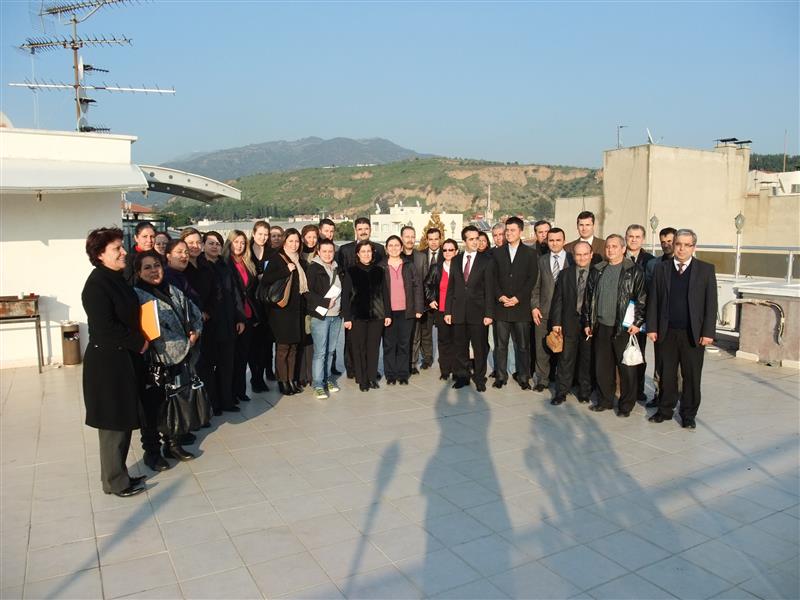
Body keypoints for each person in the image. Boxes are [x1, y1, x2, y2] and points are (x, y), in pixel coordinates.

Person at [81, 227, 147, 497]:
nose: (124, 252)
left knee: (123, 418)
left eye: (122, 246)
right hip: (107, 363)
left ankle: (120, 474)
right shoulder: (96, 285)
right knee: (112, 423)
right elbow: (105, 327)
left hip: (122, 359)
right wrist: (138, 341)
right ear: (100, 254)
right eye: (117, 249)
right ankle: (114, 481)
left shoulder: (116, 278)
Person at [133, 251, 202, 463]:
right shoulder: (137, 296)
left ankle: (173, 444)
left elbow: (194, 312)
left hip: (181, 357)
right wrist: (182, 343)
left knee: (176, 402)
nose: (154, 270)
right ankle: (152, 452)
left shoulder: (173, 290)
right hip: (154, 361)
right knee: (153, 407)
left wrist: (195, 331)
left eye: (157, 265)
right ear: (138, 272)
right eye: (147, 267)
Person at [647, 229, 717, 429]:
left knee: (691, 375)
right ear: (674, 245)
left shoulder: (705, 270)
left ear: (694, 247)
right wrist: (652, 327)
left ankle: (688, 414)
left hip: (693, 334)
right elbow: (654, 300)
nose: (682, 248)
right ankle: (665, 410)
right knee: (667, 374)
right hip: (666, 331)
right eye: (678, 244)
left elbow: (711, 303)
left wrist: (708, 332)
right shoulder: (662, 269)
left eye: (687, 245)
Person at [582, 234, 646, 417]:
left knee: (627, 368)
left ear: (623, 249)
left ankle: (626, 405)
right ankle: (605, 400)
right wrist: (588, 322)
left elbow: (641, 298)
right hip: (601, 325)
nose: (610, 250)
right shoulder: (598, 270)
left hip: (624, 327)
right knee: (603, 366)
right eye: (608, 246)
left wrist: (637, 322)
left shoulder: (634, 270)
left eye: (615, 246)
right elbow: (589, 298)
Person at [445, 226, 494, 392]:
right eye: (471, 239)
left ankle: (480, 378)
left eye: (477, 238)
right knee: (460, 347)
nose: (475, 242)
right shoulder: (456, 260)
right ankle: (462, 376)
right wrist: (448, 311)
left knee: (479, 348)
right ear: (464, 241)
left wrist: (489, 313)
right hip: (458, 311)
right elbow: (451, 287)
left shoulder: (486, 261)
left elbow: (489, 289)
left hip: (479, 312)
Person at [260, 228, 308, 396]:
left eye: (297, 241)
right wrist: (286, 270)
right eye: (291, 241)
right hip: (281, 311)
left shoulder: (300, 260)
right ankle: (282, 381)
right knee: (283, 348)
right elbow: (266, 280)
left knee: (294, 347)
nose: (294, 245)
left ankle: (291, 379)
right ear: (284, 242)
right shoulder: (277, 258)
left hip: (297, 310)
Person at [492, 216, 539, 389]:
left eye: (513, 230)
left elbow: (531, 278)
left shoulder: (530, 254)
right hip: (502, 306)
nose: (509, 233)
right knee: (500, 345)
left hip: (521, 307)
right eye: (507, 230)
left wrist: (518, 297)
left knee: (523, 345)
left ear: (520, 231)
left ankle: (523, 376)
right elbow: (492, 278)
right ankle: (500, 376)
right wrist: (500, 296)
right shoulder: (497, 253)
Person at [336, 217, 386, 378]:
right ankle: (352, 369)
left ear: (370, 230)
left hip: (373, 304)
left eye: (366, 228)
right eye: (360, 229)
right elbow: (340, 272)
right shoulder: (345, 249)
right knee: (351, 340)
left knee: (371, 342)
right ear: (355, 230)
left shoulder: (379, 249)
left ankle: (370, 370)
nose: (363, 231)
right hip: (353, 302)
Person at [203, 231, 243, 413]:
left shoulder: (225, 265)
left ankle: (227, 400)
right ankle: (214, 403)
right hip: (210, 324)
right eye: (210, 243)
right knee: (210, 366)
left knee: (227, 364)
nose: (214, 246)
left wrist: (240, 318)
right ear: (203, 245)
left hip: (228, 322)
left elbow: (235, 294)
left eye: (217, 244)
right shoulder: (200, 266)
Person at [341, 241, 390, 391]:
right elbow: (345, 296)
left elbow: (385, 293)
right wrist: (347, 318)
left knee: (373, 348)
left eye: (369, 251)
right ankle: (362, 379)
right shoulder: (351, 271)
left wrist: (387, 314)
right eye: (363, 251)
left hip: (377, 316)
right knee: (359, 348)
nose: (366, 254)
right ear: (358, 254)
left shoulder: (379, 271)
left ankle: (372, 377)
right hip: (357, 316)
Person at [181, 228, 221, 410]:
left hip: (208, 322)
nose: (195, 246)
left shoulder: (206, 265)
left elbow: (216, 292)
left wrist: (208, 311)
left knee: (209, 364)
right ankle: (198, 409)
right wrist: (197, 314)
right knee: (195, 367)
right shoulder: (181, 268)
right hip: (191, 326)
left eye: (198, 242)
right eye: (191, 243)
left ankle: (211, 404)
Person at [550, 241, 593, 405]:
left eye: (585, 254)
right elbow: (558, 299)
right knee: (565, 358)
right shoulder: (565, 274)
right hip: (569, 322)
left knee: (586, 358)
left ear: (590, 255)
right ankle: (561, 392)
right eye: (578, 255)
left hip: (589, 323)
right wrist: (556, 322)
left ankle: (584, 392)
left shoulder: (597, 274)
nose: (582, 258)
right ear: (573, 256)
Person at [531, 227, 573, 391]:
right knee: (541, 348)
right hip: (544, 312)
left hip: (566, 313)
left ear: (564, 241)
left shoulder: (572, 259)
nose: (554, 243)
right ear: (547, 242)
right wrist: (535, 307)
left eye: (558, 240)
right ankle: (542, 379)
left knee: (565, 349)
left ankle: (563, 381)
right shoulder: (541, 260)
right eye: (551, 240)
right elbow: (535, 287)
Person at [224, 230, 260, 404]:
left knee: (244, 355)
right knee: (232, 357)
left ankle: (241, 390)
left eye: (242, 243)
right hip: (234, 315)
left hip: (248, 314)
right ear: (229, 243)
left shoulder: (247, 262)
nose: (239, 245)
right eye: (236, 242)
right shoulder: (225, 263)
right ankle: (230, 393)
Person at [382, 235, 423, 385]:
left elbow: (417, 287)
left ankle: (403, 374)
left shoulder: (409, 265)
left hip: (407, 311)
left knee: (404, 343)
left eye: (396, 245)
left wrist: (418, 308)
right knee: (389, 344)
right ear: (386, 248)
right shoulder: (381, 266)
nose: (394, 248)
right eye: (390, 245)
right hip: (388, 313)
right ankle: (390, 374)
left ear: (401, 248)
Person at [645, 226, 678, 408]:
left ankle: (677, 397)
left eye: (670, 241)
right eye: (663, 242)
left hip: (680, 323)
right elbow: (650, 295)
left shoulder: (686, 265)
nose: (666, 245)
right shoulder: (654, 265)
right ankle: (659, 395)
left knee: (678, 366)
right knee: (660, 361)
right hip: (660, 322)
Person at [306, 238, 342, 399]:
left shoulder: (338, 267)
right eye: (324, 251)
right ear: (318, 252)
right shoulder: (313, 268)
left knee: (330, 351)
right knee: (320, 352)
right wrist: (325, 302)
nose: (328, 254)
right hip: (321, 316)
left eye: (330, 251)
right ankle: (318, 384)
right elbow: (308, 293)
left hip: (336, 316)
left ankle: (327, 380)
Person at [625, 224, 655, 402]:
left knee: (639, 352)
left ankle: (638, 388)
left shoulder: (651, 261)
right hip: (621, 314)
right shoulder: (618, 256)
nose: (634, 240)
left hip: (640, 315)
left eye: (637, 237)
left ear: (643, 239)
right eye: (630, 236)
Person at [425, 238, 458, 381]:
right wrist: (431, 299)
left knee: (457, 341)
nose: (447, 252)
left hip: (457, 310)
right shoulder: (436, 268)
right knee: (444, 341)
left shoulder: (461, 267)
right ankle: (445, 370)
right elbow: (427, 284)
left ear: (456, 251)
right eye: (445, 250)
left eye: (451, 249)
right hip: (441, 310)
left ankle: (457, 370)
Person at [249, 220, 275, 390]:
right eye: (260, 234)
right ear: (253, 234)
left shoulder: (272, 252)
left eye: (266, 235)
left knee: (267, 341)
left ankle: (268, 370)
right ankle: (256, 377)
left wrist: (266, 277)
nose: (263, 237)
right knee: (254, 343)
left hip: (267, 301)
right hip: (251, 301)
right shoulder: (246, 251)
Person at [413, 227, 442, 372]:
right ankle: (427, 358)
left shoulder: (447, 254)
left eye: (436, 239)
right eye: (431, 239)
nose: (434, 242)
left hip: (442, 302)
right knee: (425, 332)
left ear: (440, 239)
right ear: (427, 240)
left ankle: (445, 358)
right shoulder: (421, 255)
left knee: (444, 333)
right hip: (425, 302)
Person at [318, 218, 341, 376]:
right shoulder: (315, 250)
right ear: (320, 231)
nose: (329, 234)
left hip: (334, 302)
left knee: (332, 341)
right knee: (319, 343)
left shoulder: (337, 250)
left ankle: (331, 367)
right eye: (326, 231)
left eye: (332, 231)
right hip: (318, 302)